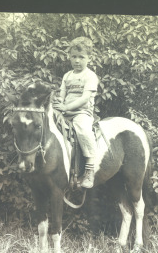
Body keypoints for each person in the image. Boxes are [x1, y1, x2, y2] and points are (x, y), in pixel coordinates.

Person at [53, 37, 99, 188]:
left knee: (83, 130)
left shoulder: (90, 76)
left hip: (81, 112)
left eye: (81, 57)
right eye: (74, 57)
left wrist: (67, 107)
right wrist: (59, 104)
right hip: (65, 112)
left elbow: (85, 98)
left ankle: (90, 170)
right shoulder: (67, 76)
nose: (77, 61)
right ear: (69, 57)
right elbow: (62, 95)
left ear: (89, 58)